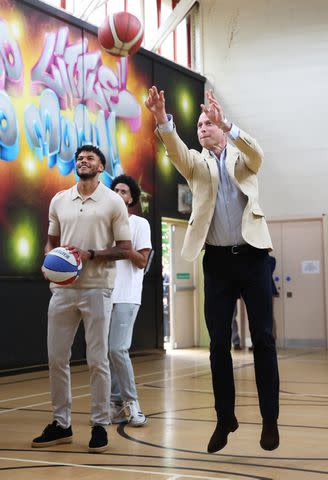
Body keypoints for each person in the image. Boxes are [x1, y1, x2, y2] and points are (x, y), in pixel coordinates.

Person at [145, 86, 280, 453]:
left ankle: (270, 418)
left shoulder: (243, 159)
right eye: (200, 125)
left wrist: (230, 125)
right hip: (217, 262)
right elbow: (175, 150)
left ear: (221, 127)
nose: (203, 127)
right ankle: (225, 418)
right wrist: (162, 119)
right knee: (218, 344)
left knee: (264, 340)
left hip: (253, 257)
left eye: (209, 123)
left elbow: (258, 153)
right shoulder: (196, 164)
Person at [32, 145, 132, 453]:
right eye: (79, 158)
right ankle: (61, 424)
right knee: (57, 358)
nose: (82, 161)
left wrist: (90, 255)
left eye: (89, 158)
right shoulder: (59, 200)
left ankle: (100, 424)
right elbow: (51, 242)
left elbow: (125, 248)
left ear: (101, 166)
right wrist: (50, 259)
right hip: (63, 290)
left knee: (97, 359)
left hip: (97, 288)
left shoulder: (114, 201)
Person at [108, 174, 152, 427]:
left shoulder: (139, 224)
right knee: (107, 353)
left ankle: (132, 403)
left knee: (117, 349)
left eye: (124, 191)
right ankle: (114, 404)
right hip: (103, 294)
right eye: (115, 190)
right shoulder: (104, 225)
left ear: (131, 198)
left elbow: (142, 261)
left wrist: (124, 249)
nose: (119, 193)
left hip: (126, 295)